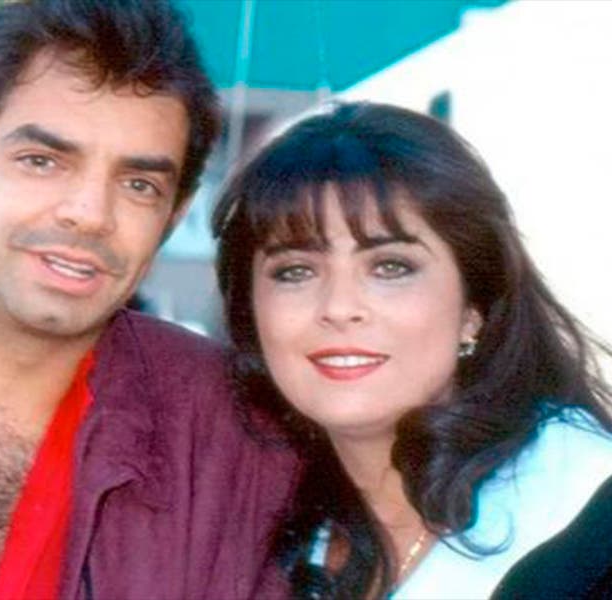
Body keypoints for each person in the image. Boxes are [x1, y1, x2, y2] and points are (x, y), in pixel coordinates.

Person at [0, 1, 297, 598]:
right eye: (41, 161)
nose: (89, 214)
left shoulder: (235, 436)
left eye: (138, 184)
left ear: (173, 216)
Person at [213, 101, 612, 599]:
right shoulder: (274, 536)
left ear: (474, 307)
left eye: (390, 267)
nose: (339, 307)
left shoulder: (587, 520)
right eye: (296, 271)